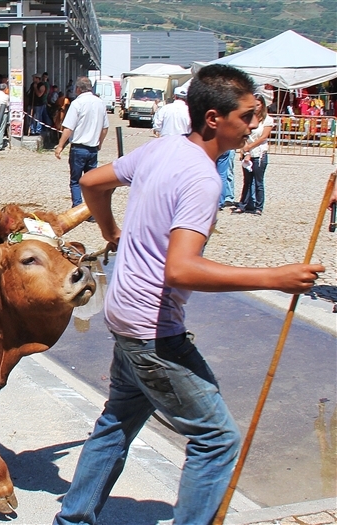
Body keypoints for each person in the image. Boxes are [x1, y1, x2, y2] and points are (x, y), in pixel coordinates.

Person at [52, 64, 324, 525]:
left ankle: (73, 518)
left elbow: (91, 182)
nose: (253, 125)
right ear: (214, 118)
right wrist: (274, 276)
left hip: (123, 312)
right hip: (153, 329)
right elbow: (182, 269)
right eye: (248, 116)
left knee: (118, 420)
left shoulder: (161, 149)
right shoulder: (203, 179)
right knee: (217, 440)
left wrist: (112, 230)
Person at [54, 76, 109, 215]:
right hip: (93, 149)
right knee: (91, 183)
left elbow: (68, 128)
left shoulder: (77, 103)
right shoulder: (100, 103)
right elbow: (105, 128)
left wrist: (60, 145)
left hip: (78, 148)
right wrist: (100, 143)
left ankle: (78, 210)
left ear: (78, 89)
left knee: (75, 181)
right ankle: (91, 211)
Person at [233, 87, 275, 216]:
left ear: (262, 105)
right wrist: (245, 149)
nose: (256, 107)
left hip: (259, 152)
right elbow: (244, 133)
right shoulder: (248, 119)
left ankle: (258, 206)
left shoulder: (267, 120)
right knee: (247, 180)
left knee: (258, 181)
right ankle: (243, 204)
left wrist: (249, 147)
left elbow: (263, 136)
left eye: (258, 105)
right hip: (248, 152)